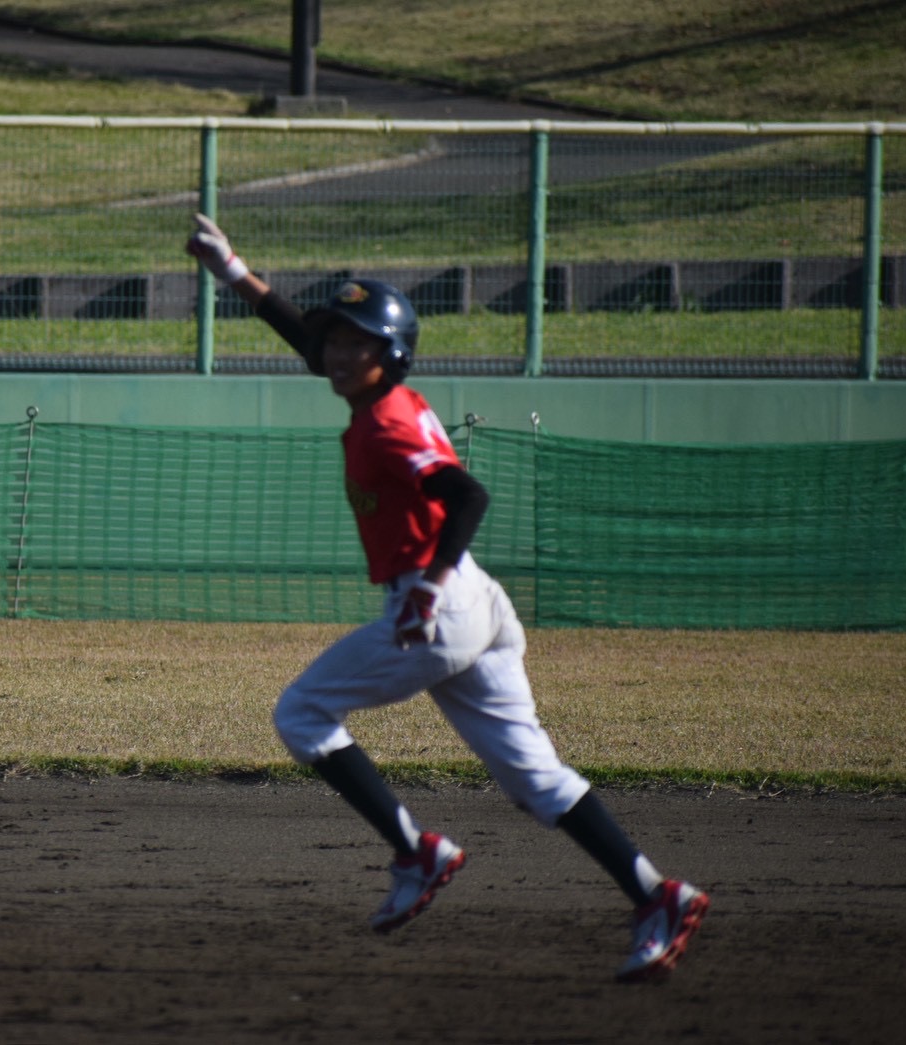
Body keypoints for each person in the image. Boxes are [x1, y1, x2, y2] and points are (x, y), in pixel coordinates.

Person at [185, 213, 710, 982]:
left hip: (438, 604)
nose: (337, 352)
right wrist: (232, 270)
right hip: (473, 601)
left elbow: (467, 495)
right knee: (536, 779)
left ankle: (416, 852)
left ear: (390, 355)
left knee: (300, 713)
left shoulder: (388, 426)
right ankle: (657, 895)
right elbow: (305, 338)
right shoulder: (381, 401)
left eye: (357, 343)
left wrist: (427, 589)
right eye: (334, 339)